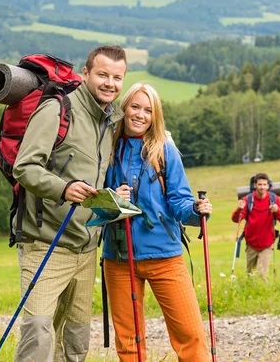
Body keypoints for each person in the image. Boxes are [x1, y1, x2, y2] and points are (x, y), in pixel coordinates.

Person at [12, 45, 128, 361]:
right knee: (38, 333)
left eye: (117, 77)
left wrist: (114, 197)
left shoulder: (110, 119)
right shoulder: (56, 110)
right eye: (103, 74)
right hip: (45, 244)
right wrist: (64, 189)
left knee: (74, 341)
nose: (110, 83)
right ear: (86, 74)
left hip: (86, 249)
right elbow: (24, 167)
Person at [102, 83, 212, 361]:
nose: (140, 115)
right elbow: (94, 202)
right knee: (129, 341)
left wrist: (196, 211)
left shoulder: (165, 150)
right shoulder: (105, 148)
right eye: (135, 107)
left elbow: (179, 201)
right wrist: (111, 198)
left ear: (155, 115)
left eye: (148, 110)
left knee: (190, 335)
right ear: (124, 107)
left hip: (165, 256)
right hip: (117, 257)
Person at [231, 173, 280, 278]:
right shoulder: (247, 200)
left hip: (267, 244)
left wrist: (277, 210)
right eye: (260, 184)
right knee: (250, 275)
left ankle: (264, 293)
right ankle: (252, 294)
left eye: (264, 184)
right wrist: (239, 209)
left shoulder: (274, 199)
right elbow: (236, 219)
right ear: (255, 185)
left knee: (262, 275)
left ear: (268, 186)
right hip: (251, 244)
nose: (262, 187)